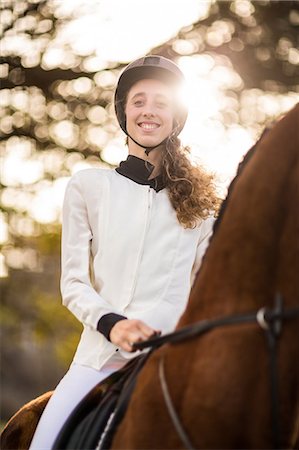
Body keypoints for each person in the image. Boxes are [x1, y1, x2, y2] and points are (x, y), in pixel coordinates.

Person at [29, 55, 219, 449]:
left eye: (161, 103)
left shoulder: (202, 211)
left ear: (175, 118)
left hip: (170, 361)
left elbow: (207, 295)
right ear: (124, 113)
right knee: (43, 443)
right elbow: (74, 283)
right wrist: (114, 324)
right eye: (139, 101)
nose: (149, 110)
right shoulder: (87, 187)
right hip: (97, 360)